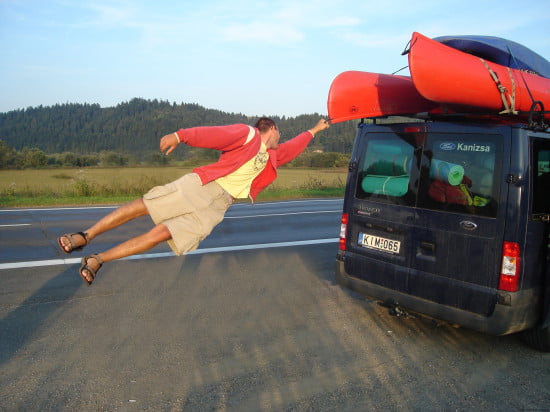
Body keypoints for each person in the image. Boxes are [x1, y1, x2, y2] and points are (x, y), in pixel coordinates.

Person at [58, 117, 330, 285]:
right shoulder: (247, 134)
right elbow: (214, 135)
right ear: (271, 128)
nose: (281, 138)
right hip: (202, 185)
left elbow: (294, 146)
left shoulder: (272, 156)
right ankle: (85, 235)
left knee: (160, 234)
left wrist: (315, 130)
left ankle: (97, 259)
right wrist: (181, 135)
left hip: (218, 206)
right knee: (146, 205)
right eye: (280, 133)